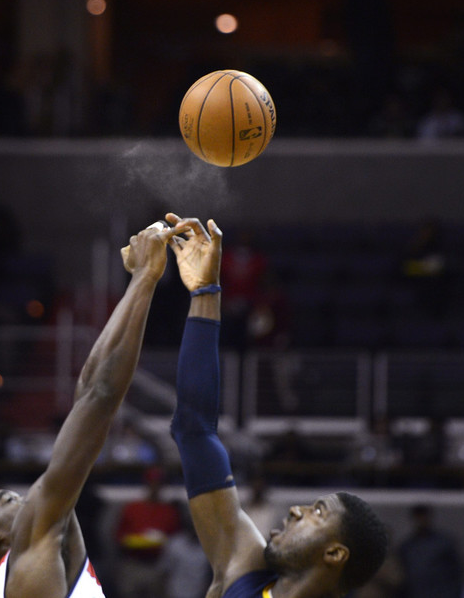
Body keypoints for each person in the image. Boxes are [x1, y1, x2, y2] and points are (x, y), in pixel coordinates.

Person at [161, 213, 388, 598]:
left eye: (318, 512)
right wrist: (205, 292)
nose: (297, 510)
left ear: (335, 553)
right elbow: (194, 428)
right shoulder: (244, 568)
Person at [0, 219, 184, 597]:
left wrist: (135, 285)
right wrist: (146, 277)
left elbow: (88, 389)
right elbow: (101, 396)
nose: (19, 495)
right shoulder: (29, 544)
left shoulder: (48, 554)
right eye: (2, 500)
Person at [114, 467, 181, 598]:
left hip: (158, 565)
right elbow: (119, 537)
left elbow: (176, 542)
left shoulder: (169, 511)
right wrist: (131, 541)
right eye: (152, 483)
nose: (155, 487)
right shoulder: (133, 508)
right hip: (134, 563)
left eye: (159, 484)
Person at [397, 504, 463, 598]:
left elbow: (457, 572)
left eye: (423, 516)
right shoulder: (407, 547)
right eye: (418, 517)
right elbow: (402, 576)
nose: (421, 521)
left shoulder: (444, 543)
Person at [158, 511, 212, 598]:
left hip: (198, 594)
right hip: (175, 593)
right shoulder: (175, 545)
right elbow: (164, 572)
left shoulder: (209, 548)